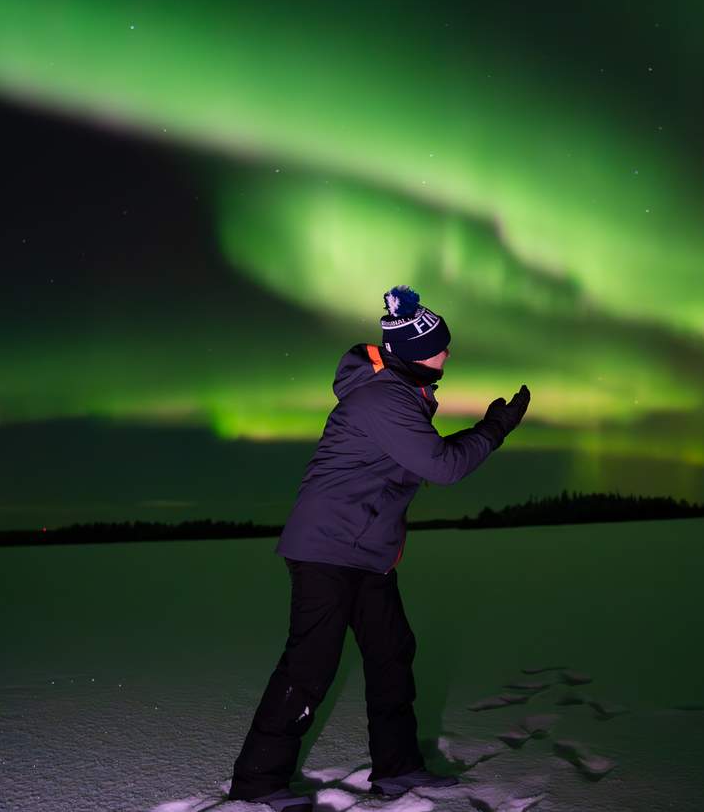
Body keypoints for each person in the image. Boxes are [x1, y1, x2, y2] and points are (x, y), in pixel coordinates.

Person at [227, 285, 531, 809]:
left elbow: (414, 463)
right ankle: (257, 782)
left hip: (365, 549)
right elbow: (442, 465)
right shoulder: (384, 397)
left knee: (391, 653)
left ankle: (397, 768)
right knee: (311, 663)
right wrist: (494, 429)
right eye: (442, 345)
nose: (448, 353)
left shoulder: (399, 392)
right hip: (328, 547)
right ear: (416, 353)